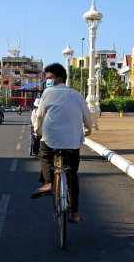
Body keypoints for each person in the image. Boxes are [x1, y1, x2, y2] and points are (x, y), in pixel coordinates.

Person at [31, 63, 92, 223]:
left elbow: (39, 116)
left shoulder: (48, 93)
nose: (47, 81)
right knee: (73, 176)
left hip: (50, 141)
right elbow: (88, 117)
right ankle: (76, 213)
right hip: (73, 143)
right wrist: (89, 129)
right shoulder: (76, 95)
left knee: (44, 155)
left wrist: (38, 132)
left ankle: (49, 183)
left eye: (49, 78)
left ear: (59, 78)